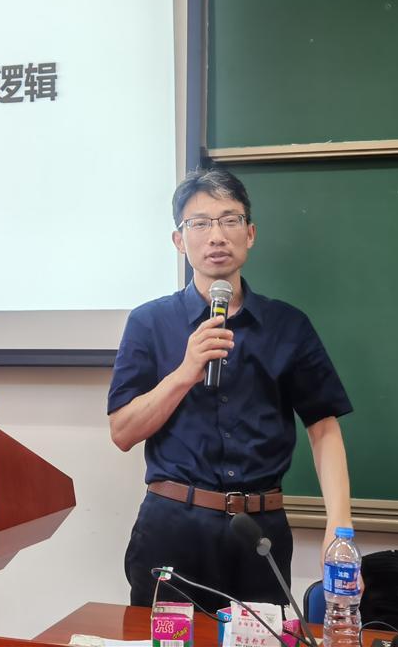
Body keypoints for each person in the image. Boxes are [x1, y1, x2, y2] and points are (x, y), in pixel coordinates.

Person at [108, 167, 354, 612]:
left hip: (259, 534)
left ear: (250, 233)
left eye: (229, 220)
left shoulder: (288, 326)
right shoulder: (148, 322)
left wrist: (339, 529)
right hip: (172, 530)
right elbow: (123, 431)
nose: (216, 236)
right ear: (179, 241)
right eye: (200, 223)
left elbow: (323, 427)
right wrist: (185, 371)